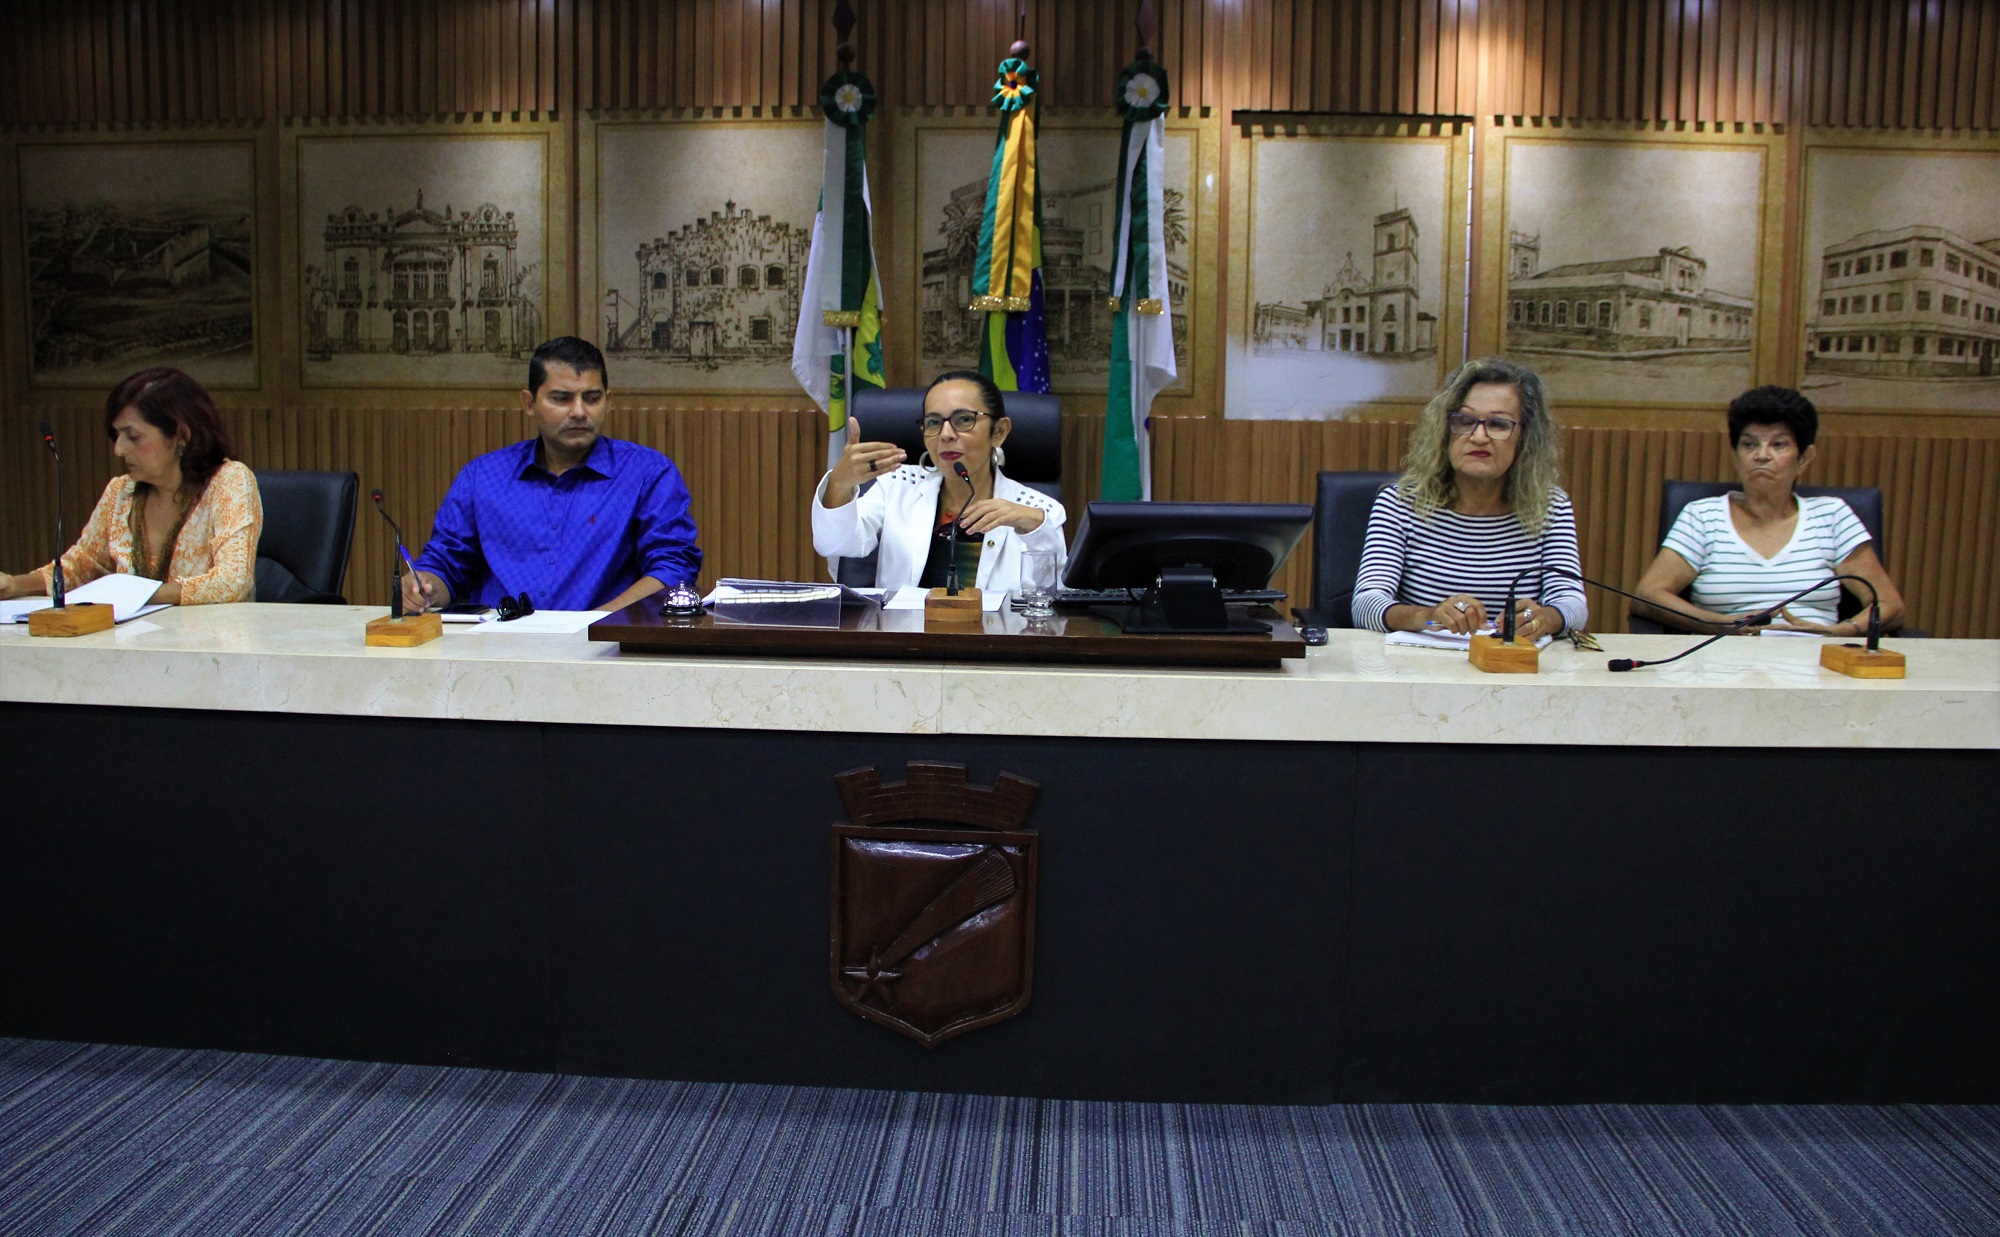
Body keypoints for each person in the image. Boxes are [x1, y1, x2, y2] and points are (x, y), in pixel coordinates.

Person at [402, 337, 701, 614]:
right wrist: (423, 589)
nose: (579, 411)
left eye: (592, 398)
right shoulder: (483, 477)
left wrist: (597, 623)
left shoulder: (647, 474)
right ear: (529, 403)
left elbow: (672, 570)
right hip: (498, 643)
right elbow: (445, 566)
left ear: (608, 401)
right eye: (562, 398)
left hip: (605, 644)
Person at [1632, 386, 1905, 635]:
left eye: (1778, 444)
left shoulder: (1832, 516)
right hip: (1722, 661)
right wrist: (1718, 624)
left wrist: (1839, 632)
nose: (1761, 455)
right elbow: (1648, 595)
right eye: (1749, 444)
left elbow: (1888, 604)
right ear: (1735, 455)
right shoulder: (1702, 517)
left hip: (1814, 661)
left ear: (1804, 458)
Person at [1352, 357, 1588, 638]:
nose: (1479, 437)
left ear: (1525, 438)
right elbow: (1366, 604)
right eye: (1464, 421)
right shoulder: (1401, 503)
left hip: (1511, 660)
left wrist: (1546, 619)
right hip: (1423, 660)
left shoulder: (1550, 507)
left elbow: (1573, 605)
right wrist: (1427, 616)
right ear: (1444, 430)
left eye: (1498, 424)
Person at [0, 367, 261, 606]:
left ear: (181, 435)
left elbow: (232, 582)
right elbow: (80, 566)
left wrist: (132, 595)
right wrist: (14, 584)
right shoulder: (121, 492)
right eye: (117, 436)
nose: (119, 449)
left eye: (133, 436)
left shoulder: (229, 482)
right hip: (131, 638)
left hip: (211, 638)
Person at [813, 371, 1065, 593]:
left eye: (964, 419)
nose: (945, 434)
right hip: (905, 631)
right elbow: (834, 543)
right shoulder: (896, 486)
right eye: (933, 422)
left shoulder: (1038, 510)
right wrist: (839, 483)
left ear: (999, 431)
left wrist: (1035, 527)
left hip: (997, 632)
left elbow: (1052, 595)